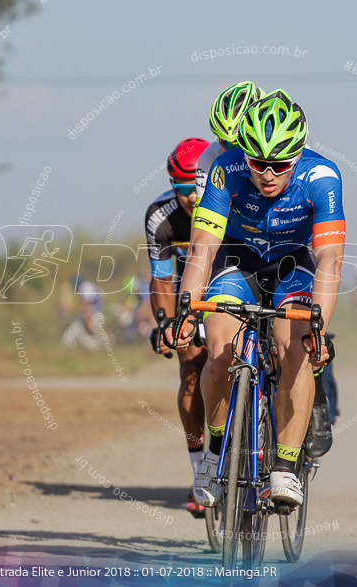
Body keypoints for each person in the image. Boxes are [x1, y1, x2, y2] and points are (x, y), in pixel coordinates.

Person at [172, 90, 345, 508]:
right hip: (237, 259)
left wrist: (317, 327)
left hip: (293, 263)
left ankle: (285, 467)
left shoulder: (322, 177)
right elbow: (202, 250)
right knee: (218, 353)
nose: (267, 175)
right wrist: (186, 307)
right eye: (258, 164)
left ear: (298, 154)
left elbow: (329, 259)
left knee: (295, 349)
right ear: (243, 154)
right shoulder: (224, 170)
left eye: (280, 165)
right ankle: (215, 453)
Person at [144, 137, 211, 517]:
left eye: (194, 187)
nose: (189, 197)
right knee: (191, 373)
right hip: (189, 297)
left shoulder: (227, 200)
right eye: (180, 189)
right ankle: (200, 471)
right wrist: (165, 324)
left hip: (228, 285)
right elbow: (162, 280)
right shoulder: (161, 218)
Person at [194, 81, 264, 205]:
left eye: (241, 144)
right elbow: (199, 215)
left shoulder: (297, 153)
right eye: (228, 144)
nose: (235, 152)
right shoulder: (210, 156)